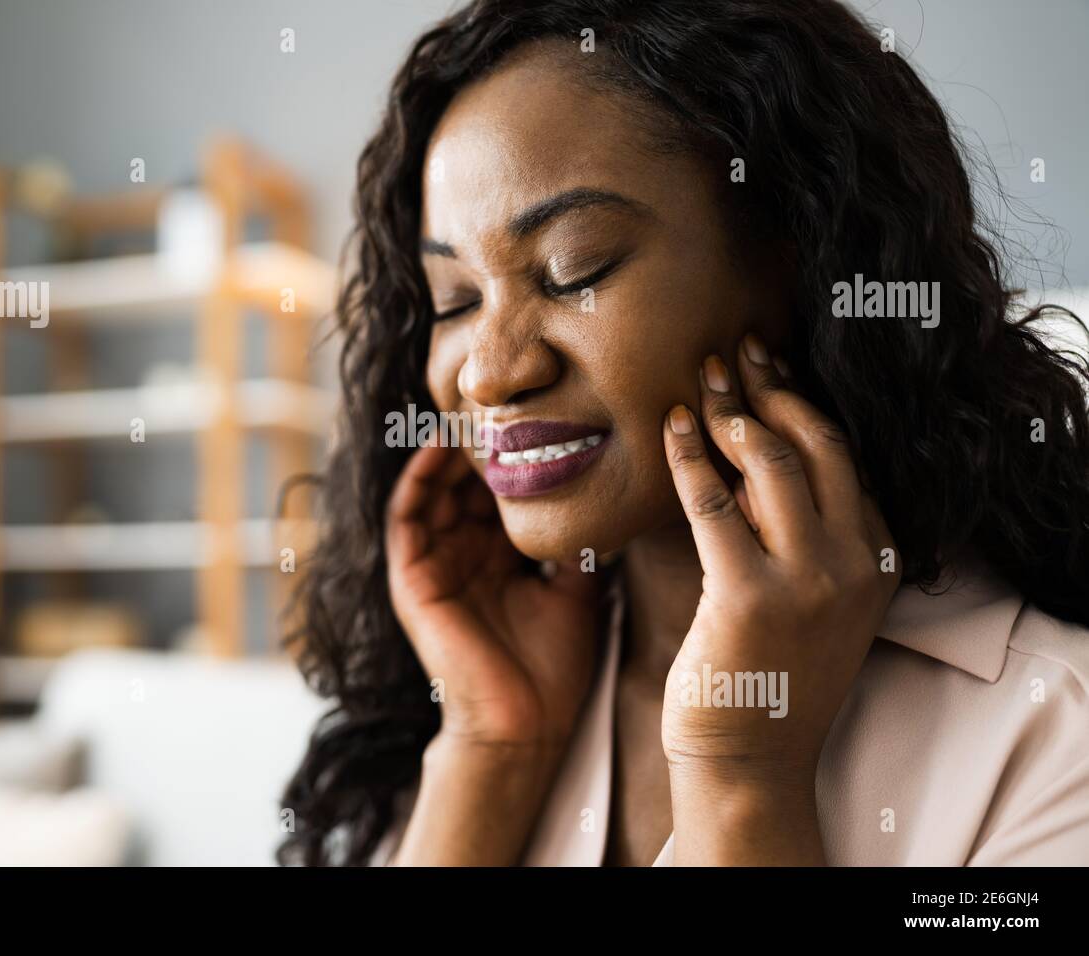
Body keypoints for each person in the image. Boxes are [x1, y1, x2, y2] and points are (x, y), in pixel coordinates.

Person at [278, 0, 1089, 866]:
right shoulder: (486, 692)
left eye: (573, 270)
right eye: (455, 302)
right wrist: (490, 748)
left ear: (803, 262)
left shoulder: (1052, 734)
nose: (486, 372)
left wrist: (742, 780)